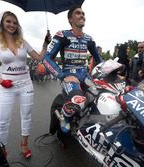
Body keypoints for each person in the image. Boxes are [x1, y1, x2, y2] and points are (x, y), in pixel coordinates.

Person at [0, 11, 50, 158]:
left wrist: (45, 44)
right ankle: (1, 149)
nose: (12, 25)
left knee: (26, 116)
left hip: (26, 85)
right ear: (2, 23)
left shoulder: (22, 41)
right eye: (8, 21)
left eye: (15, 23)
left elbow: (39, 57)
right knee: (3, 121)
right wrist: (1, 81)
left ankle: (24, 144)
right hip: (6, 86)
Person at [43, 5, 102, 133]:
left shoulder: (89, 39)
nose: (82, 15)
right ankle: (65, 116)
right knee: (78, 101)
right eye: (78, 13)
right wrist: (62, 75)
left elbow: (99, 60)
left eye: (83, 13)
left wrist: (108, 72)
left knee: (100, 96)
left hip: (85, 75)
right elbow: (46, 59)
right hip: (69, 76)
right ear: (70, 19)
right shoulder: (62, 35)